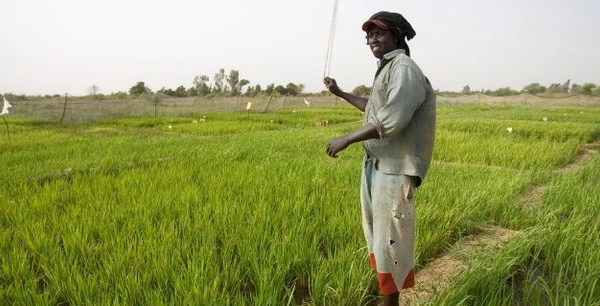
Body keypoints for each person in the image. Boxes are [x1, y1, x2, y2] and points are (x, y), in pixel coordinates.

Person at [323, 11, 436, 306]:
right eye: (370, 34)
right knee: (378, 239)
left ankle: (391, 304)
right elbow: (374, 108)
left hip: (396, 170)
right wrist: (341, 93)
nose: (373, 38)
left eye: (380, 32)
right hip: (378, 167)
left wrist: (347, 138)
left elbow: (393, 117)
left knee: (390, 244)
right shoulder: (387, 69)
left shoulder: (405, 68)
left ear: (396, 35)